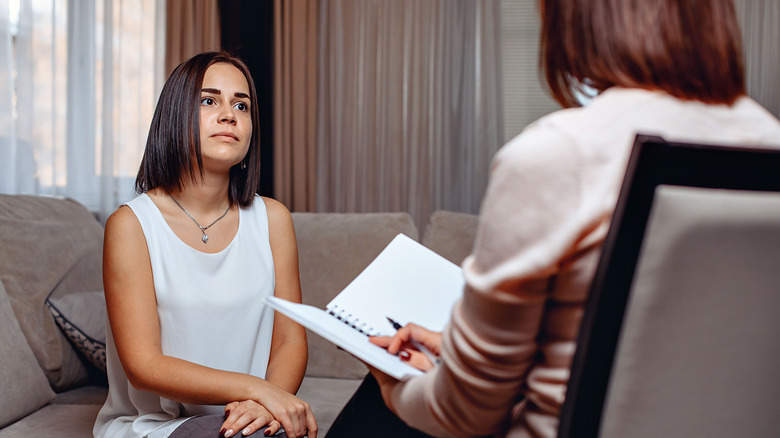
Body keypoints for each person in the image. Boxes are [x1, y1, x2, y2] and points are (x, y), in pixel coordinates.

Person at [325, 0, 780, 437]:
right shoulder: (768, 138)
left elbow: (462, 415)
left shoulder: (561, 152)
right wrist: (461, 354)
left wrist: (392, 381)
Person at [94, 52, 318, 438]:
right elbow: (144, 366)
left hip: (249, 416)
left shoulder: (274, 219)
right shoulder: (130, 225)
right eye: (209, 100)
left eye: (241, 105)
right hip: (156, 427)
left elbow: (290, 340)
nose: (229, 114)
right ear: (175, 116)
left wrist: (263, 404)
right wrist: (258, 390)